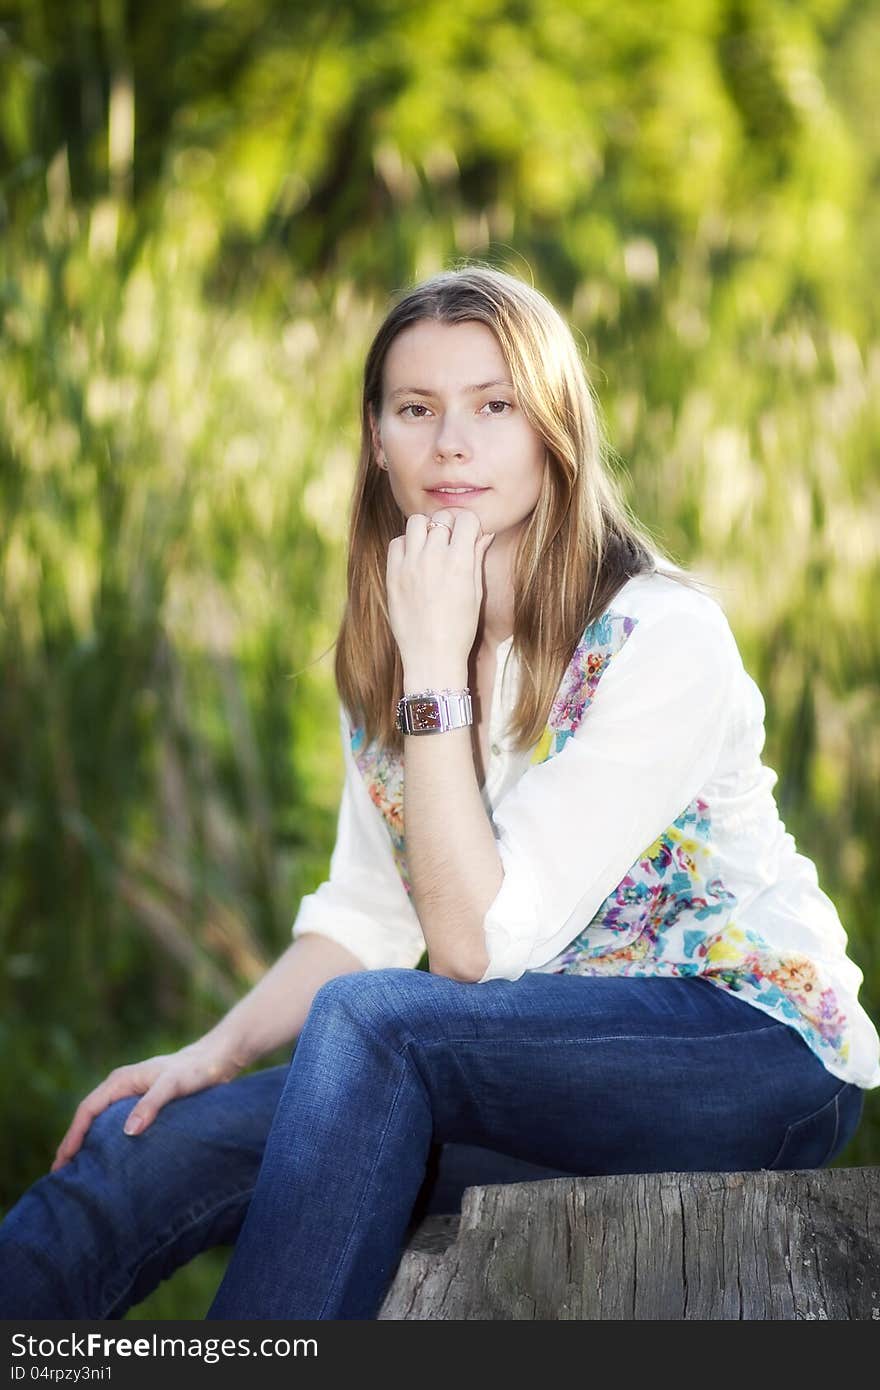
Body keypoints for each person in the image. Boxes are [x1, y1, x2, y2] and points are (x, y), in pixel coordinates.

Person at [1, 265, 878, 1321]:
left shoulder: (658, 637)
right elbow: (369, 919)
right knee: (142, 1142)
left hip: (746, 1050)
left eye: (493, 406)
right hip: (528, 1067)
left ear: (552, 427)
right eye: (416, 409)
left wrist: (432, 673)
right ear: (377, 437)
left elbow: (467, 948)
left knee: (379, 1026)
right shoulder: (389, 653)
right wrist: (208, 1052)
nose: (450, 443)